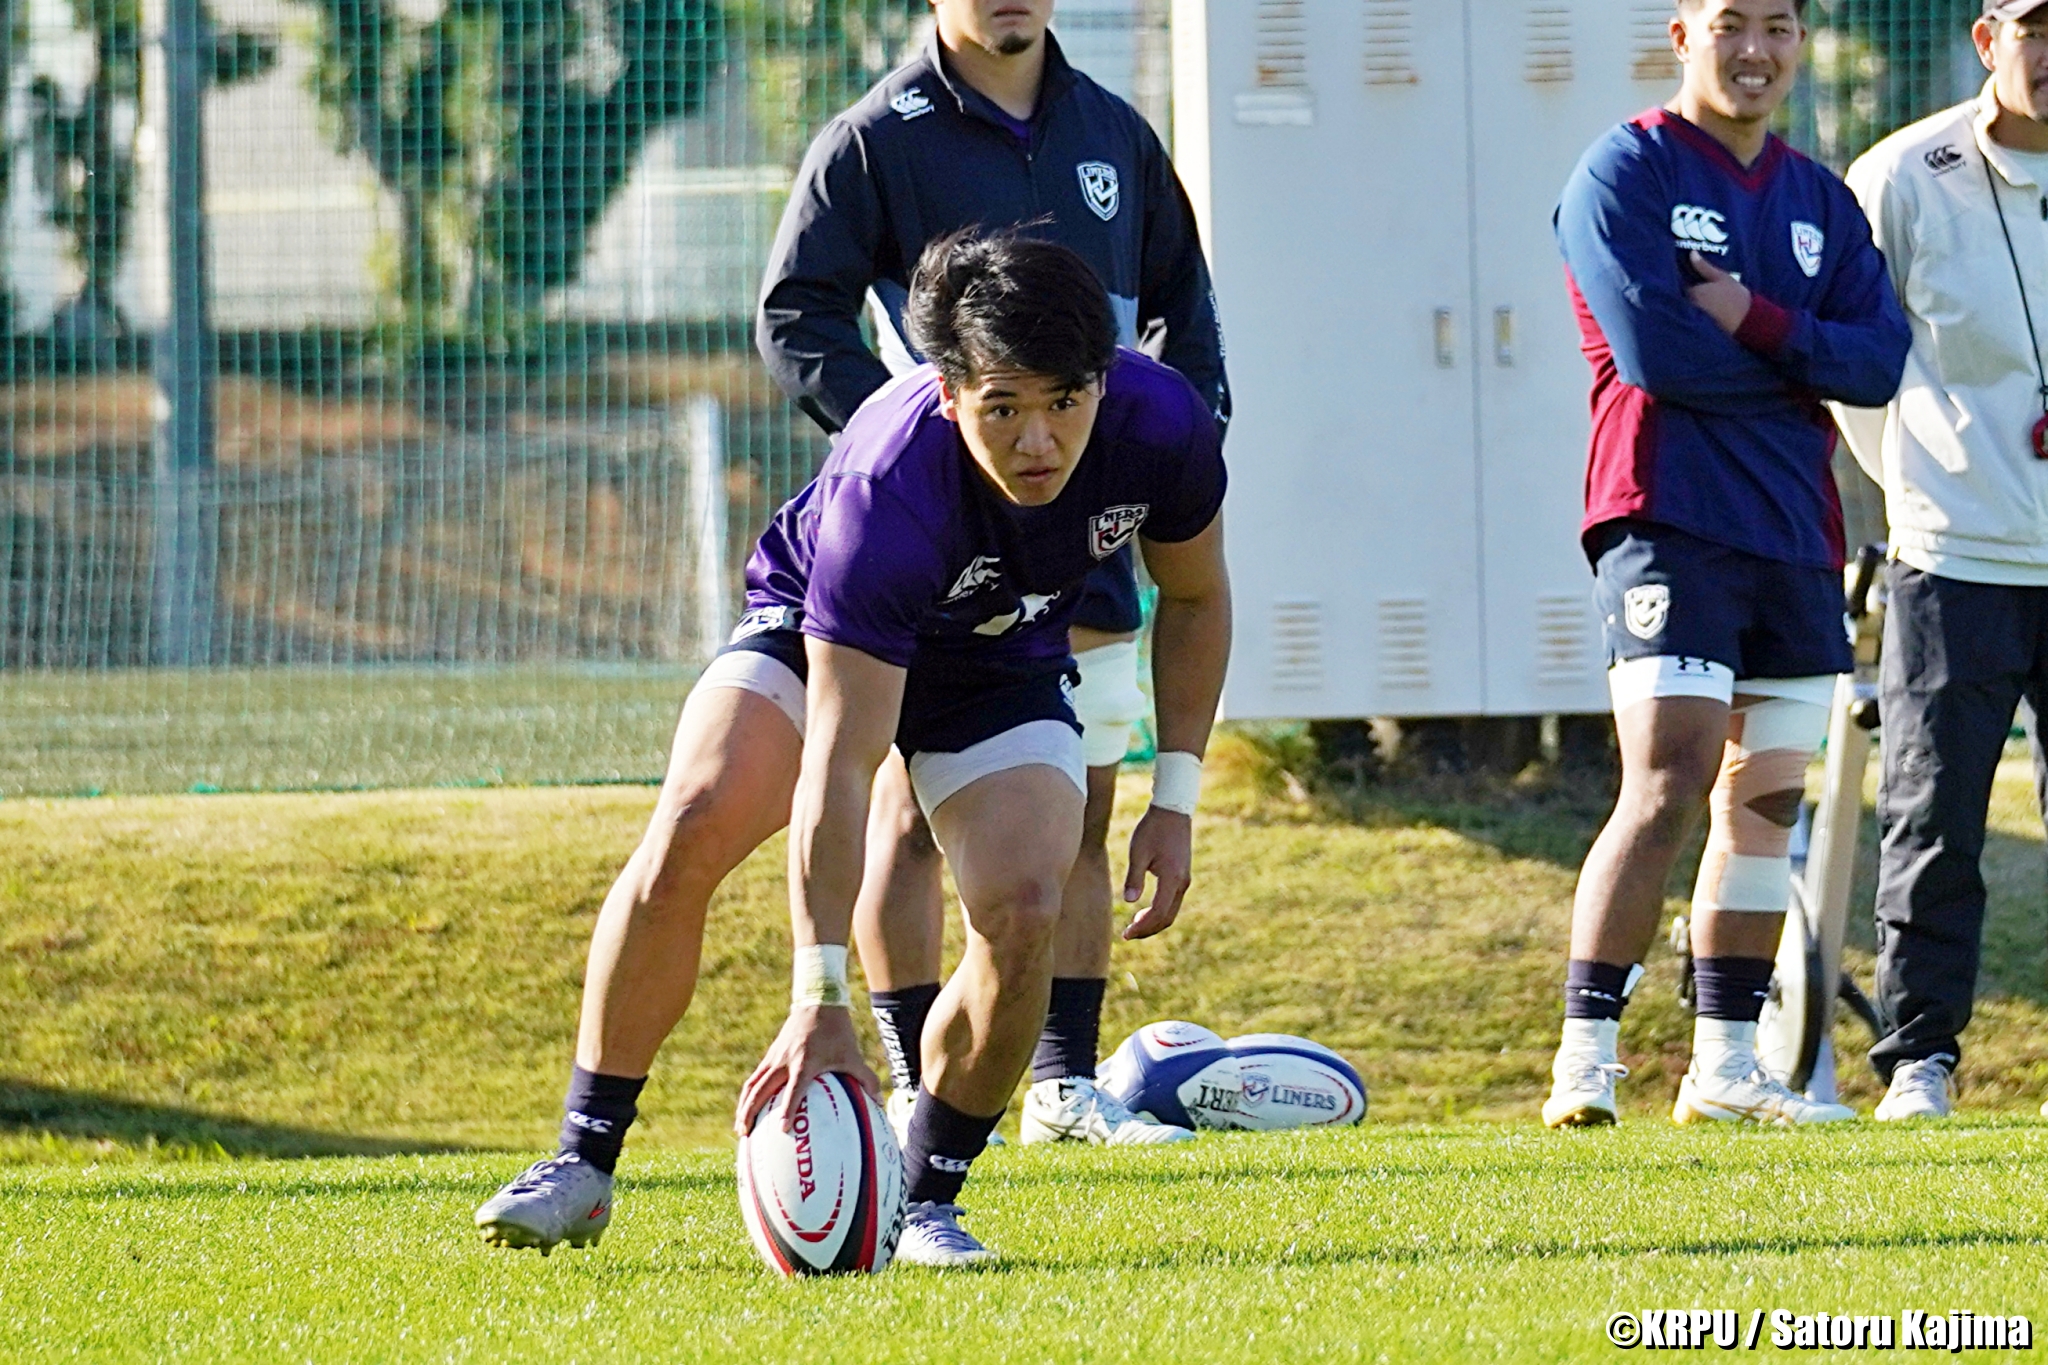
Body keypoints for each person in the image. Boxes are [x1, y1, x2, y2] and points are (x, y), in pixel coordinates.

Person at [476, 231, 1231, 1266]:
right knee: (696, 816)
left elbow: (1196, 596)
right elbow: (839, 759)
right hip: (820, 624)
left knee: (1026, 907)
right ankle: (582, 1159)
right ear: (948, 391)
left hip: (997, 650)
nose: (1038, 441)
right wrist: (817, 995)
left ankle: (925, 1199)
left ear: (1102, 380)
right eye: (1002, 408)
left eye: (1064, 402)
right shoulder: (889, 487)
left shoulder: (1162, 424)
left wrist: (1175, 798)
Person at [756, 0, 1228, 1148]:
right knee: (909, 816)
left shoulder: (1111, 128)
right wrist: (907, 439)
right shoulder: (873, 138)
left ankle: (1061, 1085)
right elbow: (794, 313)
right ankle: (910, 1078)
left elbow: (1184, 301)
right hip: (936, 547)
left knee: (1077, 800)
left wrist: (1174, 435)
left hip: (1081, 526)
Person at [1542, 0, 1910, 1128]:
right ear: (1681, 35)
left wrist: (1756, 320)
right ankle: (1584, 1060)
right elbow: (1655, 355)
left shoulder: (1820, 200)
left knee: (1766, 799)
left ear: (1798, 42)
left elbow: (1881, 362)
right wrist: (1804, 370)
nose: (1754, 51)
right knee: (1667, 780)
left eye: (1778, 27)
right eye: (1729, 25)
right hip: (1667, 516)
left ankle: (1725, 1067)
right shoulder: (1625, 171)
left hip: (1795, 531)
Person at [1830, 1, 2048, 1121]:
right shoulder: (1901, 174)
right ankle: (1918, 1058)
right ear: (1986, 40)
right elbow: (1855, 366)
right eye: (2037, 29)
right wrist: (1926, 482)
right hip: (1952, 554)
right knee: (1931, 815)